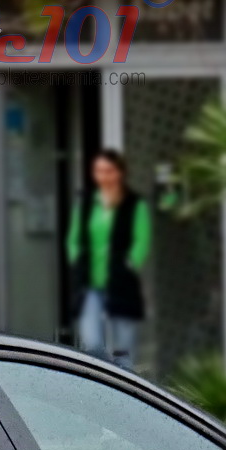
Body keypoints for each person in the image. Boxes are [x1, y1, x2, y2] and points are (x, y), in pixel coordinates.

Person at [66, 149, 150, 369]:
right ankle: (102, 381)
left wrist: (130, 263)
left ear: (120, 173)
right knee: (92, 344)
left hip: (121, 283)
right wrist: (77, 260)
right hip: (90, 284)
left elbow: (142, 240)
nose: (103, 176)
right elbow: (74, 238)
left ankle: (124, 385)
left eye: (108, 170)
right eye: (99, 171)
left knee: (123, 350)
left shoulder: (134, 204)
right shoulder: (86, 203)